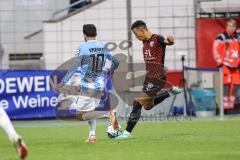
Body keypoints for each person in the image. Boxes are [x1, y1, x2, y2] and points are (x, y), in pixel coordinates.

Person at [115, 20, 181, 139]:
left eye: (136, 34)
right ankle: (170, 92)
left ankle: (127, 132)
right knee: (147, 106)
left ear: (142, 30)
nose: (136, 36)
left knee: (138, 102)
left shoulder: (157, 38)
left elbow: (167, 42)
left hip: (158, 77)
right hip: (149, 77)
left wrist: (170, 41)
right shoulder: (144, 43)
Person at [54, 24, 119, 142]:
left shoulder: (82, 48)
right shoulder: (103, 47)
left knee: (80, 116)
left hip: (87, 85)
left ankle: (108, 113)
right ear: (96, 34)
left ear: (84, 34)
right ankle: (92, 136)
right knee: (90, 111)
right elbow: (116, 61)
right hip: (99, 84)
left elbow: (74, 67)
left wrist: (62, 82)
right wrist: (111, 70)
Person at [212, 19, 240, 110]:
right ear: (226, 26)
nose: (232, 28)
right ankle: (224, 108)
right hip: (225, 65)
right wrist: (220, 63)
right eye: (230, 26)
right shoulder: (221, 37)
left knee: (236, 85)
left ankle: (232, 106)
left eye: (233, 26)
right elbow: (215, 50)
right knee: (226, 86)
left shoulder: (236, 38)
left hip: (236, 66)